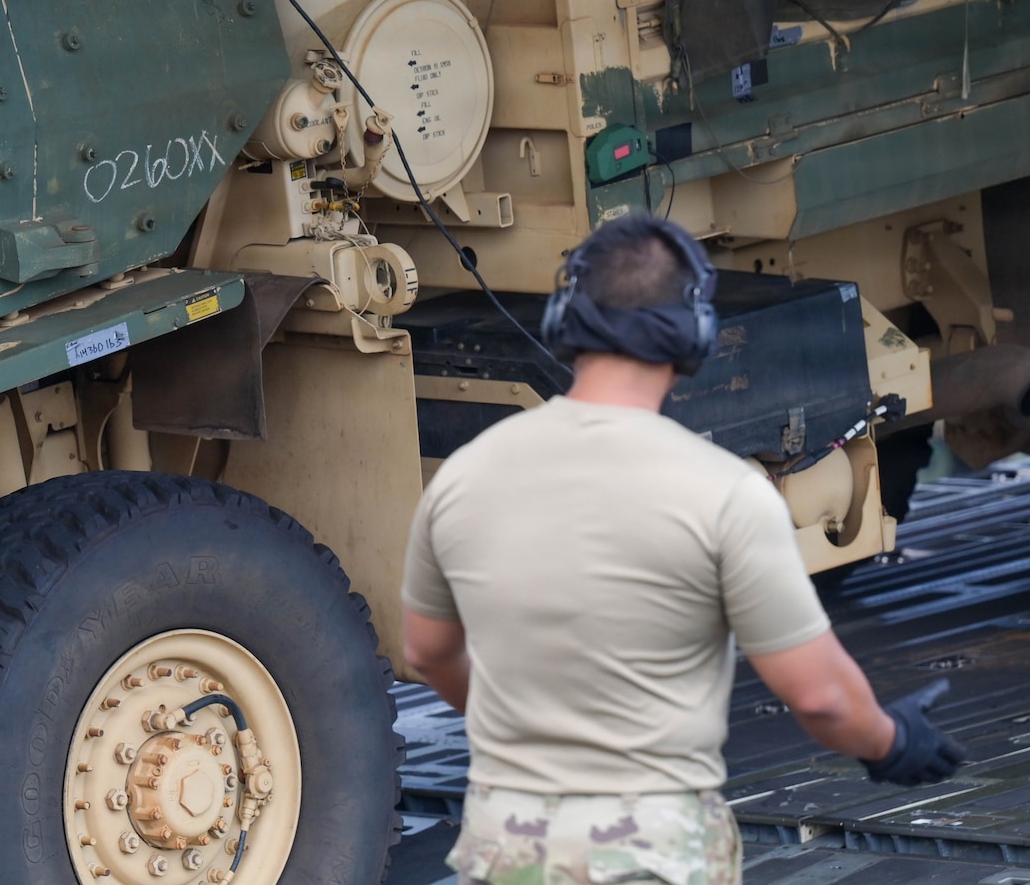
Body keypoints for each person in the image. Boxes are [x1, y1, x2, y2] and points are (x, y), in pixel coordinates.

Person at [402, 216, 965, 885]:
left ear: (565, 318)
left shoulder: (466, 475)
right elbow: (820, 697)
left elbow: (427, 649)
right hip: (651, 860)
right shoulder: (724, 493)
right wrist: (891, 740)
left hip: (508, 855)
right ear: (693, 335)